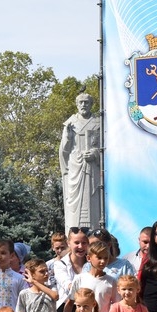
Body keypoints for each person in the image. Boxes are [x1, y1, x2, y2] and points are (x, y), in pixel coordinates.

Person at [59, 92, 101, 230]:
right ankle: (73, 232)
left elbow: (106, 149)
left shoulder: (98, 123)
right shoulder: (70, 123)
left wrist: (95, 154)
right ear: (77, 104)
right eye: (81, 102)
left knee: (93, 203)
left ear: (91, 104)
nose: (84, 105)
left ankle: (94, 231)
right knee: (73, 203)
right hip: (75, 168)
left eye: (86, 102)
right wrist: (68, 137)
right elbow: (63, 151)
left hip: (93, 169)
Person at [63, 241, 117, 312]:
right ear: (88, 258)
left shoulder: (112, 281)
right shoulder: (80, 278)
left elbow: (116, 306)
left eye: (106, 258)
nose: (103, 261)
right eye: (99, 257)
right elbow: (70, 303)